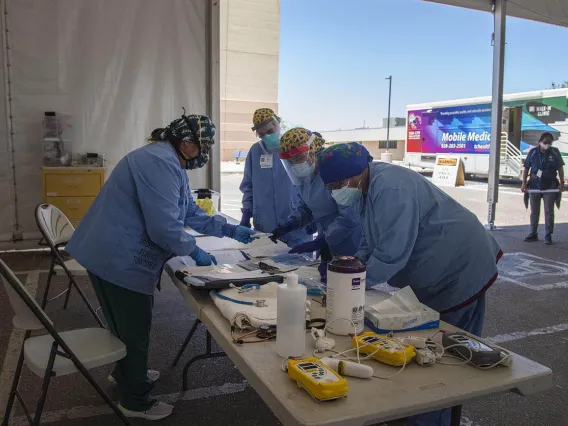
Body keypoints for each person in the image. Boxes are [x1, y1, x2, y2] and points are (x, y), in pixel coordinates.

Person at [66, 111, 256, 421]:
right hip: (118, 258)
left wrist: (230, 229)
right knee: (133, 328)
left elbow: (189, 212)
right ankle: (136, 400)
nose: (205, 154)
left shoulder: (169, 162)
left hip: (109, 252)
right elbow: (165, 226)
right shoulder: (160, 162)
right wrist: (193, 250)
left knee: (123, 325)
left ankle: (126, 373)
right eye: (203, 147)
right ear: (186, 142)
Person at [317, 142, 502, 426]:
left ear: (356, 173)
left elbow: (392, 253)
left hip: (460, 265)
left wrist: (353, 282)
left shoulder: (391, 188)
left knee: (447, 356)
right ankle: (422, 414)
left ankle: (434, 417)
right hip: (434, 268)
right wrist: (350, 267)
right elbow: (371, 241)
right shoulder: (366, 190)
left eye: (338, 184)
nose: (335, 191)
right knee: (432, 348)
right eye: (331, 186)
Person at [273, 128, 363, 278]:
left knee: (351, 285)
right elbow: (308, 208)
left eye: (297, 159)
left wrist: (324, 240)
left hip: (351, 241)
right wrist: (290, 224)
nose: (295, 165)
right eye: (290, 161)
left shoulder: (335, 170)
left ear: (313, 150)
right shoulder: (307, 176)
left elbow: (350, 216)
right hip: (329, 239)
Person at [239, 108, 312, 246]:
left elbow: (310, 186)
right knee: (265, 264)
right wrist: (246, 213)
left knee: (300, 265)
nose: (267, 137)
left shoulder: (293, 149)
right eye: (261, 135)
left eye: (270, 132)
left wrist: (312, 219)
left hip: (295, 223)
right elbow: (248, 186)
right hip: (265, 226)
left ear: (278, 124)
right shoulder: (255, 152)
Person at [521, 132, 565, 245]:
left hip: (550, 185)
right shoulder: (533, 152)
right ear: (539, 142)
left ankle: (548, 235)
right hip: (535, 185)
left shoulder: (555, 152)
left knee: (549, 211)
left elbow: (560, 168)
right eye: (545, 142)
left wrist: (561, 183)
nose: (547, 144)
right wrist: (524, 183)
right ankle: (533, 233)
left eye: (550, 142)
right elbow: (526, 168)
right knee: (534, 212)